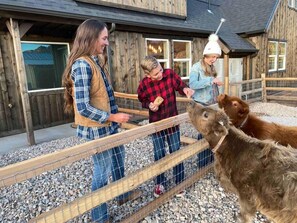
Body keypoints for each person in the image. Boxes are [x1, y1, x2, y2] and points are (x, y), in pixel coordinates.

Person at [62, 19, 140, 223]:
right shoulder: (82, 65)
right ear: (91, 38)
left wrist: (113, 119)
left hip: (109, 127)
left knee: (118, 160)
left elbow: (102, 96)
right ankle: (99, 217)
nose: (106, 42)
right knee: (102, 171)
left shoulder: (95, 60)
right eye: (104, 38)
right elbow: (83, 107)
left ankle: (121, 195)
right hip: (98, 129)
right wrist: (113, 116)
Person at [137, 56, 194, 197]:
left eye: (160, 70)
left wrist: (186, 89)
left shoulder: (169, 74)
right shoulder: (144, 85)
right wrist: (149, 105)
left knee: (176, 151)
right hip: (156, 125)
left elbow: (180, 85)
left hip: (173, 123)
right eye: (156, 74)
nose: (161, 74)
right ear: (147, 75)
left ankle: (179, 182)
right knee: (159, 154)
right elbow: (142, 99)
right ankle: (160, 183)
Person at [189, 33, 224, 169]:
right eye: (212, 57)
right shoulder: (196, 67)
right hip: (202, 105)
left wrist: (217, 90)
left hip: (212, 104)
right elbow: (193, 84)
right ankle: (201, 163)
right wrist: (211, 80)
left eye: (216, 57)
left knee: (212, 132)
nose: (214, 59)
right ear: (206, 55)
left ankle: (210, 160)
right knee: (203, 133)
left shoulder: (211, 67)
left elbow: (211, 85)